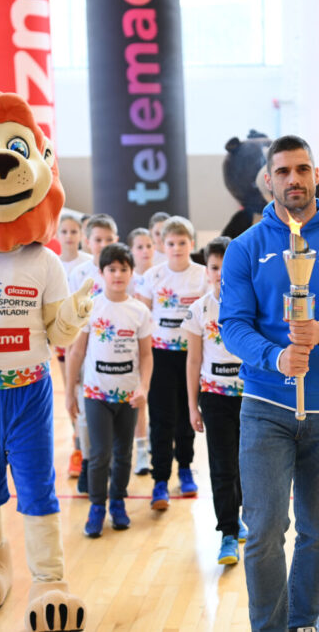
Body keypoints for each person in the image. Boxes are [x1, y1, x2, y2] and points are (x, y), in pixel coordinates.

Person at [219, 135, 319, 632]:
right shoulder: (245, 248)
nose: (294, 179)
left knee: (317, 532)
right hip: (265, 408)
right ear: (268, 180)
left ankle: (305, 623)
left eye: (302, 169)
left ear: (315, 175)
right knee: (264, 531)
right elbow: (233, 326)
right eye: (283, 171)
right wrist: (276, 357)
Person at [66, 244, 153, 536]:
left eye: (123, 269)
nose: (117, 274)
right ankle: (96, 506)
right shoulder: (91, 307)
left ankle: (117, 502)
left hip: (128, 397)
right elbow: (76, 353)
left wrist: (143, 388)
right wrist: (70, 392)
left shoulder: (139, 311)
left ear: (131, 273)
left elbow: (146, 356)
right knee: (100, 453)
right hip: (96, 395)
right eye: (111, 269)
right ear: (101, 273)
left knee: (123, 453)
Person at [182, 236, 248, 566]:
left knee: (246, 465)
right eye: (214, 267)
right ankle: (228, 533)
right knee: (222, 467)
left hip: (250, 398)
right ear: (206, 271)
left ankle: (242, 517)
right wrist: (192, 405)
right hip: (214, 398)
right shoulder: (199, 309)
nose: (221, 273)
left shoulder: (252, 304)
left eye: (227, 267)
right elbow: (194, 360)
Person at [136, 215, 207, 510]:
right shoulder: (152, 276)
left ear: (191, 243)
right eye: (171, 243)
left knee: (187, 415)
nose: (176, 248)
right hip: (160, 357)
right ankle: (160, 479)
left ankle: (186, 469)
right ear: (161, 245)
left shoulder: (202, 275)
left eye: (182, 242)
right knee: (162, 418)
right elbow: (141, 317)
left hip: (192, 357)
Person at [66, 214, 119, 494]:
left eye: (108, 239)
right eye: (98, 239)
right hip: (86, 356)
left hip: (116, 356)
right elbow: (71, 321)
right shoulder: (78, 275)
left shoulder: (123, 271)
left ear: (116, 240)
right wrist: (71, 368)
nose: (103, 244)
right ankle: (88, 461)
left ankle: (110, 464)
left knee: (115, 416)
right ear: (87, 242)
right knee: (86, 417)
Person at [57, 213, 93, 479]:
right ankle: (78, 444)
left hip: (90, 338)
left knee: (88, 390)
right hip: (63, 339)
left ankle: (94, 444)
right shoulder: (52, 264)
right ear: (57, 235)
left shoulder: (89, 264)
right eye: (64, 231)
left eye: (74, 231)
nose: (69, 236)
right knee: (72, 387)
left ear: (81, 235)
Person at [127, 227, 156, 476]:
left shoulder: (160, 276)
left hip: (159, 348)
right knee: (139, 399)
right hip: (132, 349)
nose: (145, 251)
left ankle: (155, 441)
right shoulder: (126, 278)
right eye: (139, 247)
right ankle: (141, 449)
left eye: (148, 246)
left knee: (157, 400)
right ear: (131, 250)